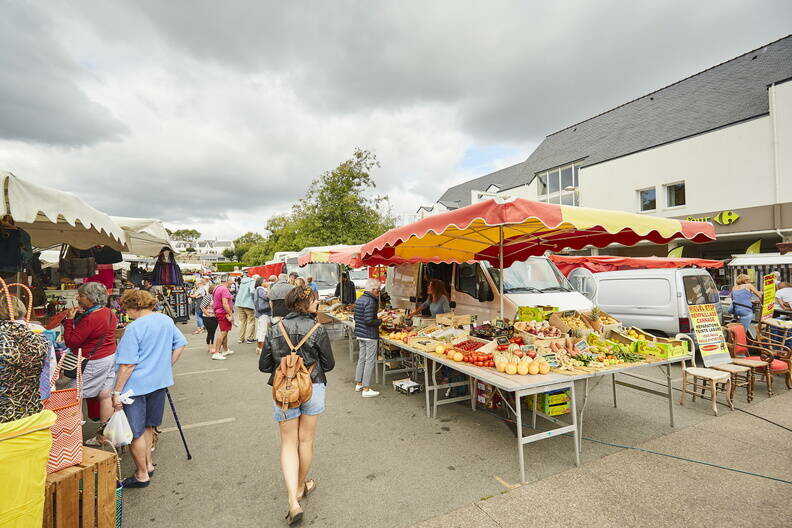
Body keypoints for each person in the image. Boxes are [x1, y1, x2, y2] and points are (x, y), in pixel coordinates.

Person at [259, 286, 335, 524]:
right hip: (313, 387)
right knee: (306, 440)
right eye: (314, 300)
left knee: (288, 442)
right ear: (304, 303)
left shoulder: (274, 329)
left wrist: (286, 365)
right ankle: (301, 485)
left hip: (285, 392)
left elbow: (264, 366)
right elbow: (329, 364)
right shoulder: (317, 329)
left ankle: (293, 499)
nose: (318, 303)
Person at [112, 289, 187, 488]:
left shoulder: (134, 328)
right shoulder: (165, 320)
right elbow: (180, 344)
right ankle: (148, 465)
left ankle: (142, 473)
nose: (125, 312)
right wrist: (166, 365)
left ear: (133, 306)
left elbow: (128, 365)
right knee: (148, 426)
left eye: (126, 308)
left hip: (134, 388)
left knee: (134, 432)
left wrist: (116, 392)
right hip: (159, 382)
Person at [62, 282, 118, 422]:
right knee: (105, 395)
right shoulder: (107, 312)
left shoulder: (91, 318)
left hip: (93, 361)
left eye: (81, 295)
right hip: (109, 357)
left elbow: (71, 341)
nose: (78, 298)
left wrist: (69, 321)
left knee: (73, 397)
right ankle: (105, 437)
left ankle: (75, 439)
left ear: (91, 298)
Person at [0, 293, 49, 423]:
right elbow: (46, 375)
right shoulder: (40, 337)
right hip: (31, 409)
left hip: (5, 413)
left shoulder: (4, 337)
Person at [353, 279, 382, 398]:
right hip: (369, 335)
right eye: (378, 290)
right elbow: (369, 320)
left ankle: (359, 383)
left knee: (362, 359)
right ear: (373, 290)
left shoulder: (360, 299)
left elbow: (357, 317)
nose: (379, 293)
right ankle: (366, 388)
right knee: (369, 361)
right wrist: (380, 320)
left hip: (360, 333)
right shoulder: (371, 301)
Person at [213, 277, 236, 358]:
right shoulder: (224, 289)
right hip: (223, 313)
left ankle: (225, 350)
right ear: (227, 281)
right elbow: (225, 303)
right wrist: (230, 313)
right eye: (232, 280)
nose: (233, 282)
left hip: (219, 312)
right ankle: (216, 352)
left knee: (225, 331)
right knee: (223, 332)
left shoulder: (218, 287)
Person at [202, 285, 223, 360]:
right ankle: (210, 347)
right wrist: (207, 314)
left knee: (213, 332)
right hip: (208, 317)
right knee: (210, 332)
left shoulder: (216, 296)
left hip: (215, 317)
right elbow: (202, 306)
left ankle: (212, 346)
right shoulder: (208, 297)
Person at [235, 275, 258, 344]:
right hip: (248, 304)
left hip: (239, 303)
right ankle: (249, 338)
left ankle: (240, 338)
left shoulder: (242, 282)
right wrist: (254, 299)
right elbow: (252, 291)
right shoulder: (252, 281)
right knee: (251, 321)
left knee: (242, 321)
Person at [254, 276, 272, 353]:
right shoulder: (260, 289)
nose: (266, 282)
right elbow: (266, 297)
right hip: (264, 312)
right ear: (261, 283)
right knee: (263, 330)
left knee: (261, 329)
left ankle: (259, 347)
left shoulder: (258, 289)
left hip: (262, 312)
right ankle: (261, 348)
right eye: (265, 281)